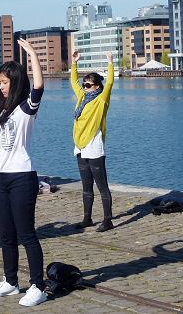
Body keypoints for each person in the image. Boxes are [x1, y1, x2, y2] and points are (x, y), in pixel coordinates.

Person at [0, 39, 47, 307]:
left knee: (26, 233)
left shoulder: (27, 108)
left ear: (14, 82)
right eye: (0, 82)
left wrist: (32, 55)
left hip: (22, 178)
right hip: (1, 177)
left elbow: (39, 86)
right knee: (6, 234)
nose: (0, 86)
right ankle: (10, 281)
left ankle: (39, 286)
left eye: (5, 82)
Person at [70, 50, 115, 232]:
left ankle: (108, 220)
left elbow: (110, 82)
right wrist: (74, 63)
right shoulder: (82, 97)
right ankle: (87, 218)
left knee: (102, 186)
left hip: (94, 146)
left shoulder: (101, 100)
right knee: (86, 186)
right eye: (85, 84)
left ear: (97, 86)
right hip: (80, 146)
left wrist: (110, 62)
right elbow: (73, 81)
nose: (85, 87)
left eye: (88, 85)